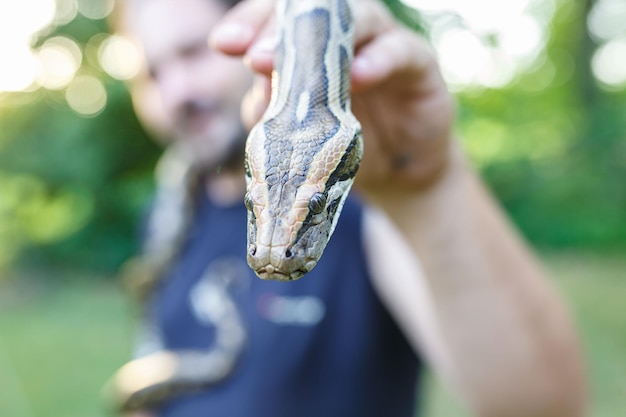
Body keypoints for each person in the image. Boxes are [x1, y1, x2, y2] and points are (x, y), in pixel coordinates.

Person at [109, 0, 587, 416]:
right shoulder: (169, 212)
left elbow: (542, 409)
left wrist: (426, 191)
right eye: (151, 72)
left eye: (194, 51)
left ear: (257, 38)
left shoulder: (376, 214)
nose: (177, 92)